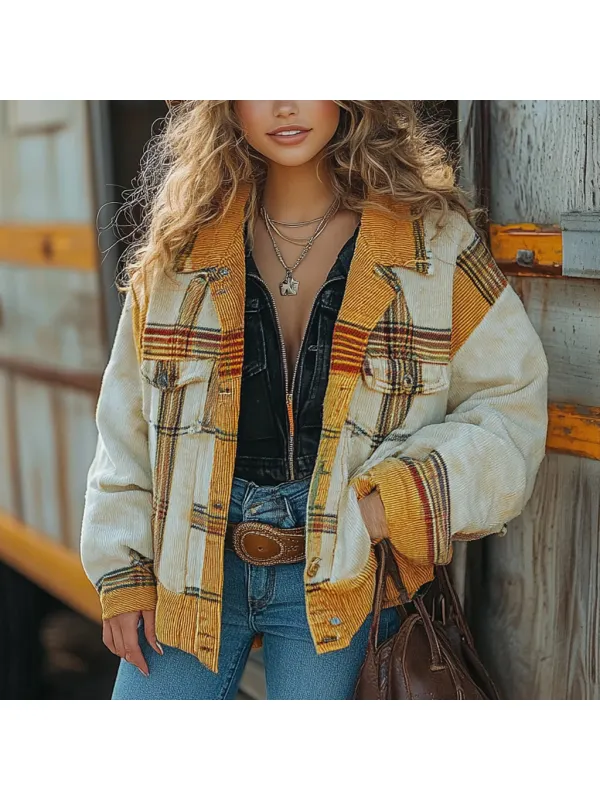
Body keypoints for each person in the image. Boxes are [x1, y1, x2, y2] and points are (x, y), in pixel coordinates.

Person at [80, 101, 548, 700]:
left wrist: (389, 505)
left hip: (343, 576)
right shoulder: (181, 250)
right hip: (194, 566)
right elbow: (126, 429)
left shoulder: (430, 246)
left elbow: (513, 404)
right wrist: (123, 571)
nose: (284, 103)